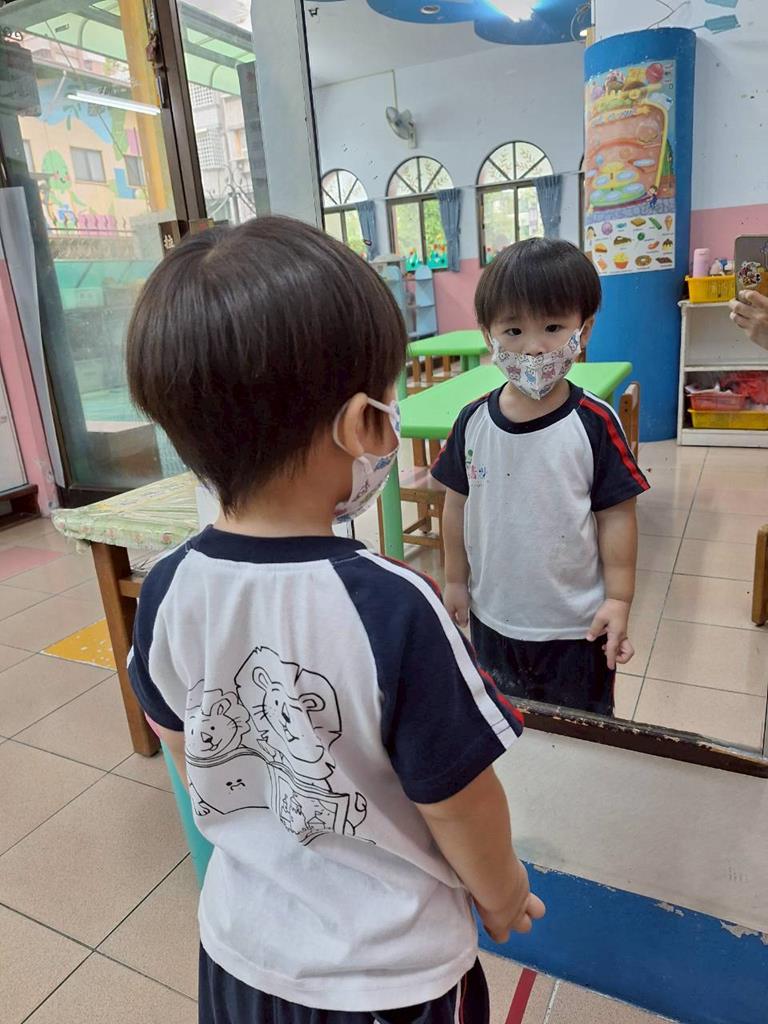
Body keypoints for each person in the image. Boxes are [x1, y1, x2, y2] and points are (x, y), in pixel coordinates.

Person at [125, 217, 544, 1024]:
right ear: (362, 426)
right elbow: (459, 800)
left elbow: (182, 740)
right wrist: (502, 894)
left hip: (240, 952)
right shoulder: (394, 605)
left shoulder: (168, 585)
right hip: (390, 978)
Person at [432, 238, 650, 716]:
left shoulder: (595, 423)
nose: (533, 347)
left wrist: (619, 599)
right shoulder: (472, 422)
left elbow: (617, 517)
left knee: (583, 734)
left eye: (552, 327)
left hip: (577, 627)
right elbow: (455, 506)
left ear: (583, 329)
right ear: (488, 335)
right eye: (513, 330)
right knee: (507, 724)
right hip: (493, 619)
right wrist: (454, 580)